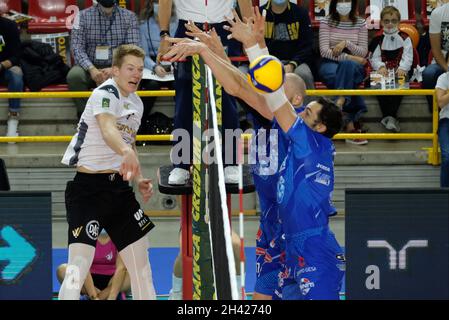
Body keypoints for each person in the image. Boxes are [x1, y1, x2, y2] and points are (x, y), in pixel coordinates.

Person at [164, 9, 345, 300]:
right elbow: (242, 86)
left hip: (309, 244)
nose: (272, 89)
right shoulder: (291, 122)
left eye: (307, 110)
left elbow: (266, 87)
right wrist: (218, 51)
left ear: (317, 124)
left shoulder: (306, 138)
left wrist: (253, 46)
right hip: (275, 229)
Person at [59, 44, 156, 300]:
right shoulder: (106, 92)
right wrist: (125, 153)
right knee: (76, 269)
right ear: (115, 70)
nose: (136, 74)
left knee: (142, 268)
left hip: (120, 192)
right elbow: (107, 128)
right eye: (130, 69)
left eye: (139, 69)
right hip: (88, 189)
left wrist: (138, 176)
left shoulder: (136, 102)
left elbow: (129, 140)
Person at [157, 0, 253, 185]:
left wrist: (248, 35)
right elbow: (165, 1)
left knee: (228, 98)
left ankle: (231, 162)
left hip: (224, 30)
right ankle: (181, 164)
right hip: (188, 28)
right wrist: (164, 34)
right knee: (184, 102)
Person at [68, 0, 140, 118]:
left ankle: (120, 116)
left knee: (132, 74)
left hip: (117, 68)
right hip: (89, 66)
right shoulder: (81, 16)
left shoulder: (129, 17)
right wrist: (91, 69)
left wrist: (114, 69)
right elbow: (76, 48)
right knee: (74, 76)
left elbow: (132, 50)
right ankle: (88, 115)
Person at [318, 0, 368, 145]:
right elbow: (325, 51)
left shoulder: (361, 23)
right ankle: (350, 124)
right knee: (342, 74)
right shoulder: (326, 21)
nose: (344, 3)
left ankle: (339, 103)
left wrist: (346, 43)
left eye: (347, 0)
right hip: (330, 63)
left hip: (354, 67)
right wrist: (350, 57)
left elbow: (363, 52)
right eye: (340, 0)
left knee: (346, 68)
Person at [369, 6, 413, 133]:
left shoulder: (405, 38)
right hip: (385, 70)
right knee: (377, 80)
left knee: (400, 81)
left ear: (399, 22)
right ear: (381, 22)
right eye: (386, 20)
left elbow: (408, 56)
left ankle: (390, 117)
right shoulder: (378, 39)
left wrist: (403, 68)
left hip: (400, 70)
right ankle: (390, 117)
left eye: (393, 21)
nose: (390, 24)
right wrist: (380, 67)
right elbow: (374, 58)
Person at [138, 0, 177, 140]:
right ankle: (140, 127)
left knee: (180, 85)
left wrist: (173, 64)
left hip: (173, 64)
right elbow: (143, 54)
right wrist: (155, 66)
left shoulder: (177, 23)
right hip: (152, 66)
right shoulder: (144, 26)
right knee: (150, 86)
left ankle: (181, 125)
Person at [56, 230, 130, 300]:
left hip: (112, 281)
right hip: (88, 280)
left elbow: (121, 268)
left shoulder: (120, 235)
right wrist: (94, 296)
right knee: (62, 270)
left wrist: (111, 297)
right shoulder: (85, 235)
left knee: (131, 274)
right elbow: (83, 267)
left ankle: (110, 295)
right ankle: (93, 296)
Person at [261, 0, 315, 91]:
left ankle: (309, 105)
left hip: (297, 62)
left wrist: (292, 64)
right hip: (268, 62)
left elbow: (307, 45)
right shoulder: (259, 13)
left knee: (304, 74)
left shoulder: (301, 13)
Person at [0, 10, 24, 140]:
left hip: (5, 68)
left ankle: (13, 118)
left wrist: (2, 65)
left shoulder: (10, 25)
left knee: (17, 74)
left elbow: (17, 56)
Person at [423, 0, 449, 112]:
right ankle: (435, 114)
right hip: (443, 63)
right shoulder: (438, 13)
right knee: (429, 73)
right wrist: (448, 69)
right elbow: (436, 50)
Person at [435, 52, 449, 188]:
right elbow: (440, 102)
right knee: (447, 157)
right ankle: (444, 194)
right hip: (447, 122)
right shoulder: (443, 78)